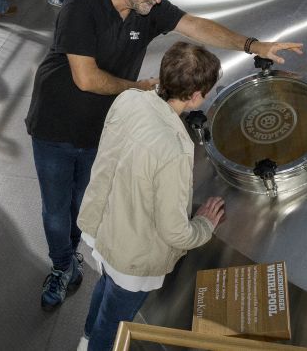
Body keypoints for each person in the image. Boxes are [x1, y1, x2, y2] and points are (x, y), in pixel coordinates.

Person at [25, 0, 302, 313]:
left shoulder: (146, 9)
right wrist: (139, 87)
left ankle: (84, 250)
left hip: (103, 125)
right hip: (56, 124)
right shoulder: (83, 3)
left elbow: (196, 26)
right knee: (57, 208)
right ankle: (62, 266)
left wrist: (253, 45)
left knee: (86, 196)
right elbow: (86, 78)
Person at [75, 42, 225, 351]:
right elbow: (174, 231)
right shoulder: (174, 148)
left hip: (103, 226)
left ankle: (86, 338)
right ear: (196, 95)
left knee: (104, 287)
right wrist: (204, 226)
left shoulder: (129, 99)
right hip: (133, 255)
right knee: (115, 321)